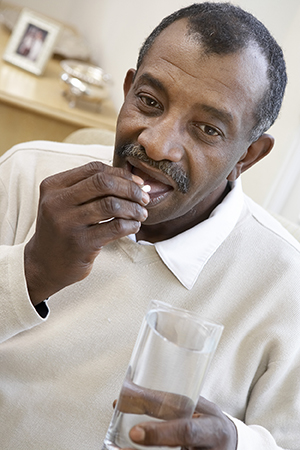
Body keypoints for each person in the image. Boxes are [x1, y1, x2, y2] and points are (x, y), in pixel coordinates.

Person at [0, 2, 300, 449]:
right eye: (149, 102)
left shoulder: (284, 285)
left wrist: (237, 442)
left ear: (248, 156)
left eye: (207, 130)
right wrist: (31, 270)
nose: (156, 144)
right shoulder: (27, 174)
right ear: (127, 91)